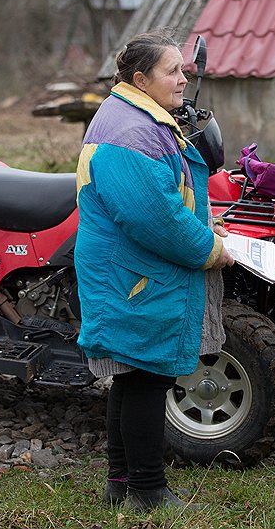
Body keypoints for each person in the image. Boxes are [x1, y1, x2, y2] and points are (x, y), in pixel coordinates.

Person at [74, 29, 234, 510]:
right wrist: (212, 250)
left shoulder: (138, 116)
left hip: (133, 270)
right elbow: (157, 220)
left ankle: (121, 484)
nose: (183, 79)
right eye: (172, 71)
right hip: (136, 274)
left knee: (131, 377)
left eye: (183, 69)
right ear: (141, 79)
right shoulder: (131, 132)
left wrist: (204, 221)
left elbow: (166, 198)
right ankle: (147, 491)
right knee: (147, 377)